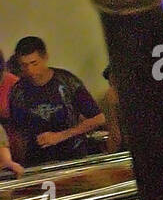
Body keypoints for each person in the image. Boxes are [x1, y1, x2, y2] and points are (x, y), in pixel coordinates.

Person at [7, 36, 106, 165]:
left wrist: (60, 136)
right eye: (24, 65)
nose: (30, 71)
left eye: (34, 63)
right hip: (37, 162)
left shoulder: (67, 82)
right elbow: (17, 133)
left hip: (73, 156)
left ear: (45, 58)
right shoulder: (18, 92)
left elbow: (98, 118)